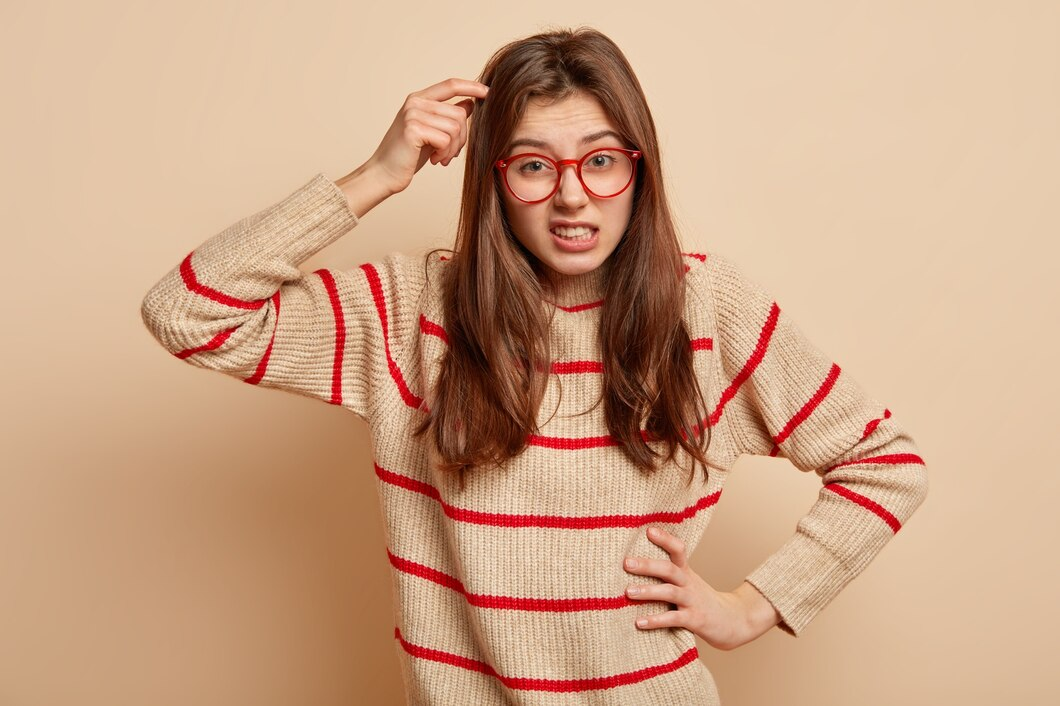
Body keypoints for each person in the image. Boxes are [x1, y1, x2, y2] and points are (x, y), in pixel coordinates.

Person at [141, 26, 928, 706]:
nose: (573, 198)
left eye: (601, 161)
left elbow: (885, 465)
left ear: (639, 170)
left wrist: (752, 607)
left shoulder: (706, 308)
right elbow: (187, 312)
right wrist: (379, 174)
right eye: (533, 166)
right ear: (495, 181)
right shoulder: (410, 309)